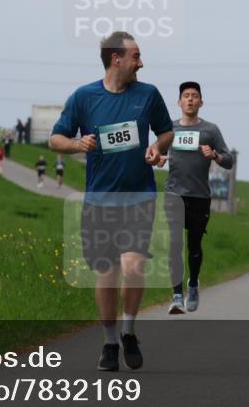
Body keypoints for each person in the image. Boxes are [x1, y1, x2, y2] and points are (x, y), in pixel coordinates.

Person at [49, 31, 173, 371]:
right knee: (106, 272)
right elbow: (55, 139)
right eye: (135, 56)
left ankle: (129, 330)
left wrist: (157, 148)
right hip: (100, 200)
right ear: (115, 58)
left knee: (133, 266)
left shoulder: (148, 94)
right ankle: (109, 342)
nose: (141, 62)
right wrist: (77, 144)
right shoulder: (84, 97)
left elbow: (166, 132)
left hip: (139, 197)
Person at [157, 81, 233, 314]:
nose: (190, 99)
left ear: (201, 102)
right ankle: (177, 295)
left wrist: (215, 155)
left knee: (194, 245)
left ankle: (193, 284)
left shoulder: (210, 130)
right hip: (174, 193)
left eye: (194, 96)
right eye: (186, 96)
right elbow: (156, 152)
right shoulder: (169, 128)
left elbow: (229, 160)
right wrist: (157, 158)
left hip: (200, 195)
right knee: (174, 244)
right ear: (179, 102)